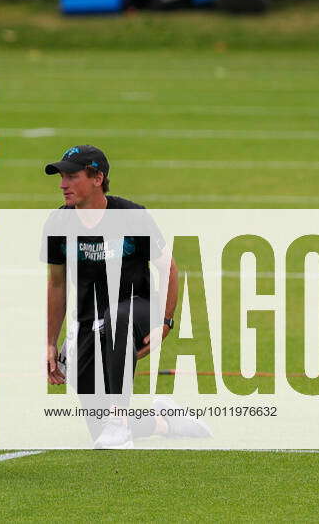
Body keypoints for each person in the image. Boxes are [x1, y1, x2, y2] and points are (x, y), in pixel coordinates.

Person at [43, 145, 208, 447]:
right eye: (61, 177)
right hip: (89, 321)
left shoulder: (132, 215)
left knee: (118, 317)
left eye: (72, 176)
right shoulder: (58, 223)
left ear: (97, 178)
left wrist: (166, 322)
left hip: (138, 309)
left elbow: (168, 268)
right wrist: (51, 342)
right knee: (97, 425)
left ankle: (120, 419)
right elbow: (56, 285)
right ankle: (163, 420)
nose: (63, 184)